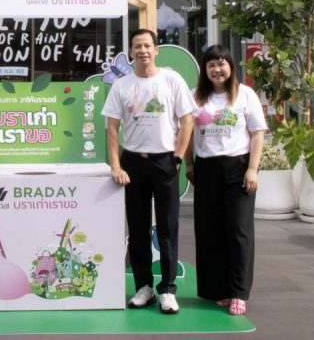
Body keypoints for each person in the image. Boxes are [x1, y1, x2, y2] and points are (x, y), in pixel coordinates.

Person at [101, 29, 195, 314]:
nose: (142, 50)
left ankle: (167, 289)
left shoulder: (171, 80)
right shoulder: (122, 85)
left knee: (167, 228)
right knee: (138, 228)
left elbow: (187, 121)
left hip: (165, 161)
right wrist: (116, 165)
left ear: (156, 50)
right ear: (131, 52)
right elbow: (112, 128)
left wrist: (177, 158)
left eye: (146, 45)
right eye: (137, 46)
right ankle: (144, 286)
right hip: (133, 163)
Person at [185, 45, 266, 316]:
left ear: (230, 66)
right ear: (205, 70)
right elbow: (186, 131)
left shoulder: (245, 95)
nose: (217, 70)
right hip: (206, 169)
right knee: (210, 231)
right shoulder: (196, 96)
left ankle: (239, 292)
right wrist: (189, 164)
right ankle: (218, 289)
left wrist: (252, 169)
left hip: (238, 168)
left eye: (221, 64)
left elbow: (257, 133)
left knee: (238, 231)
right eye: (211, 65)